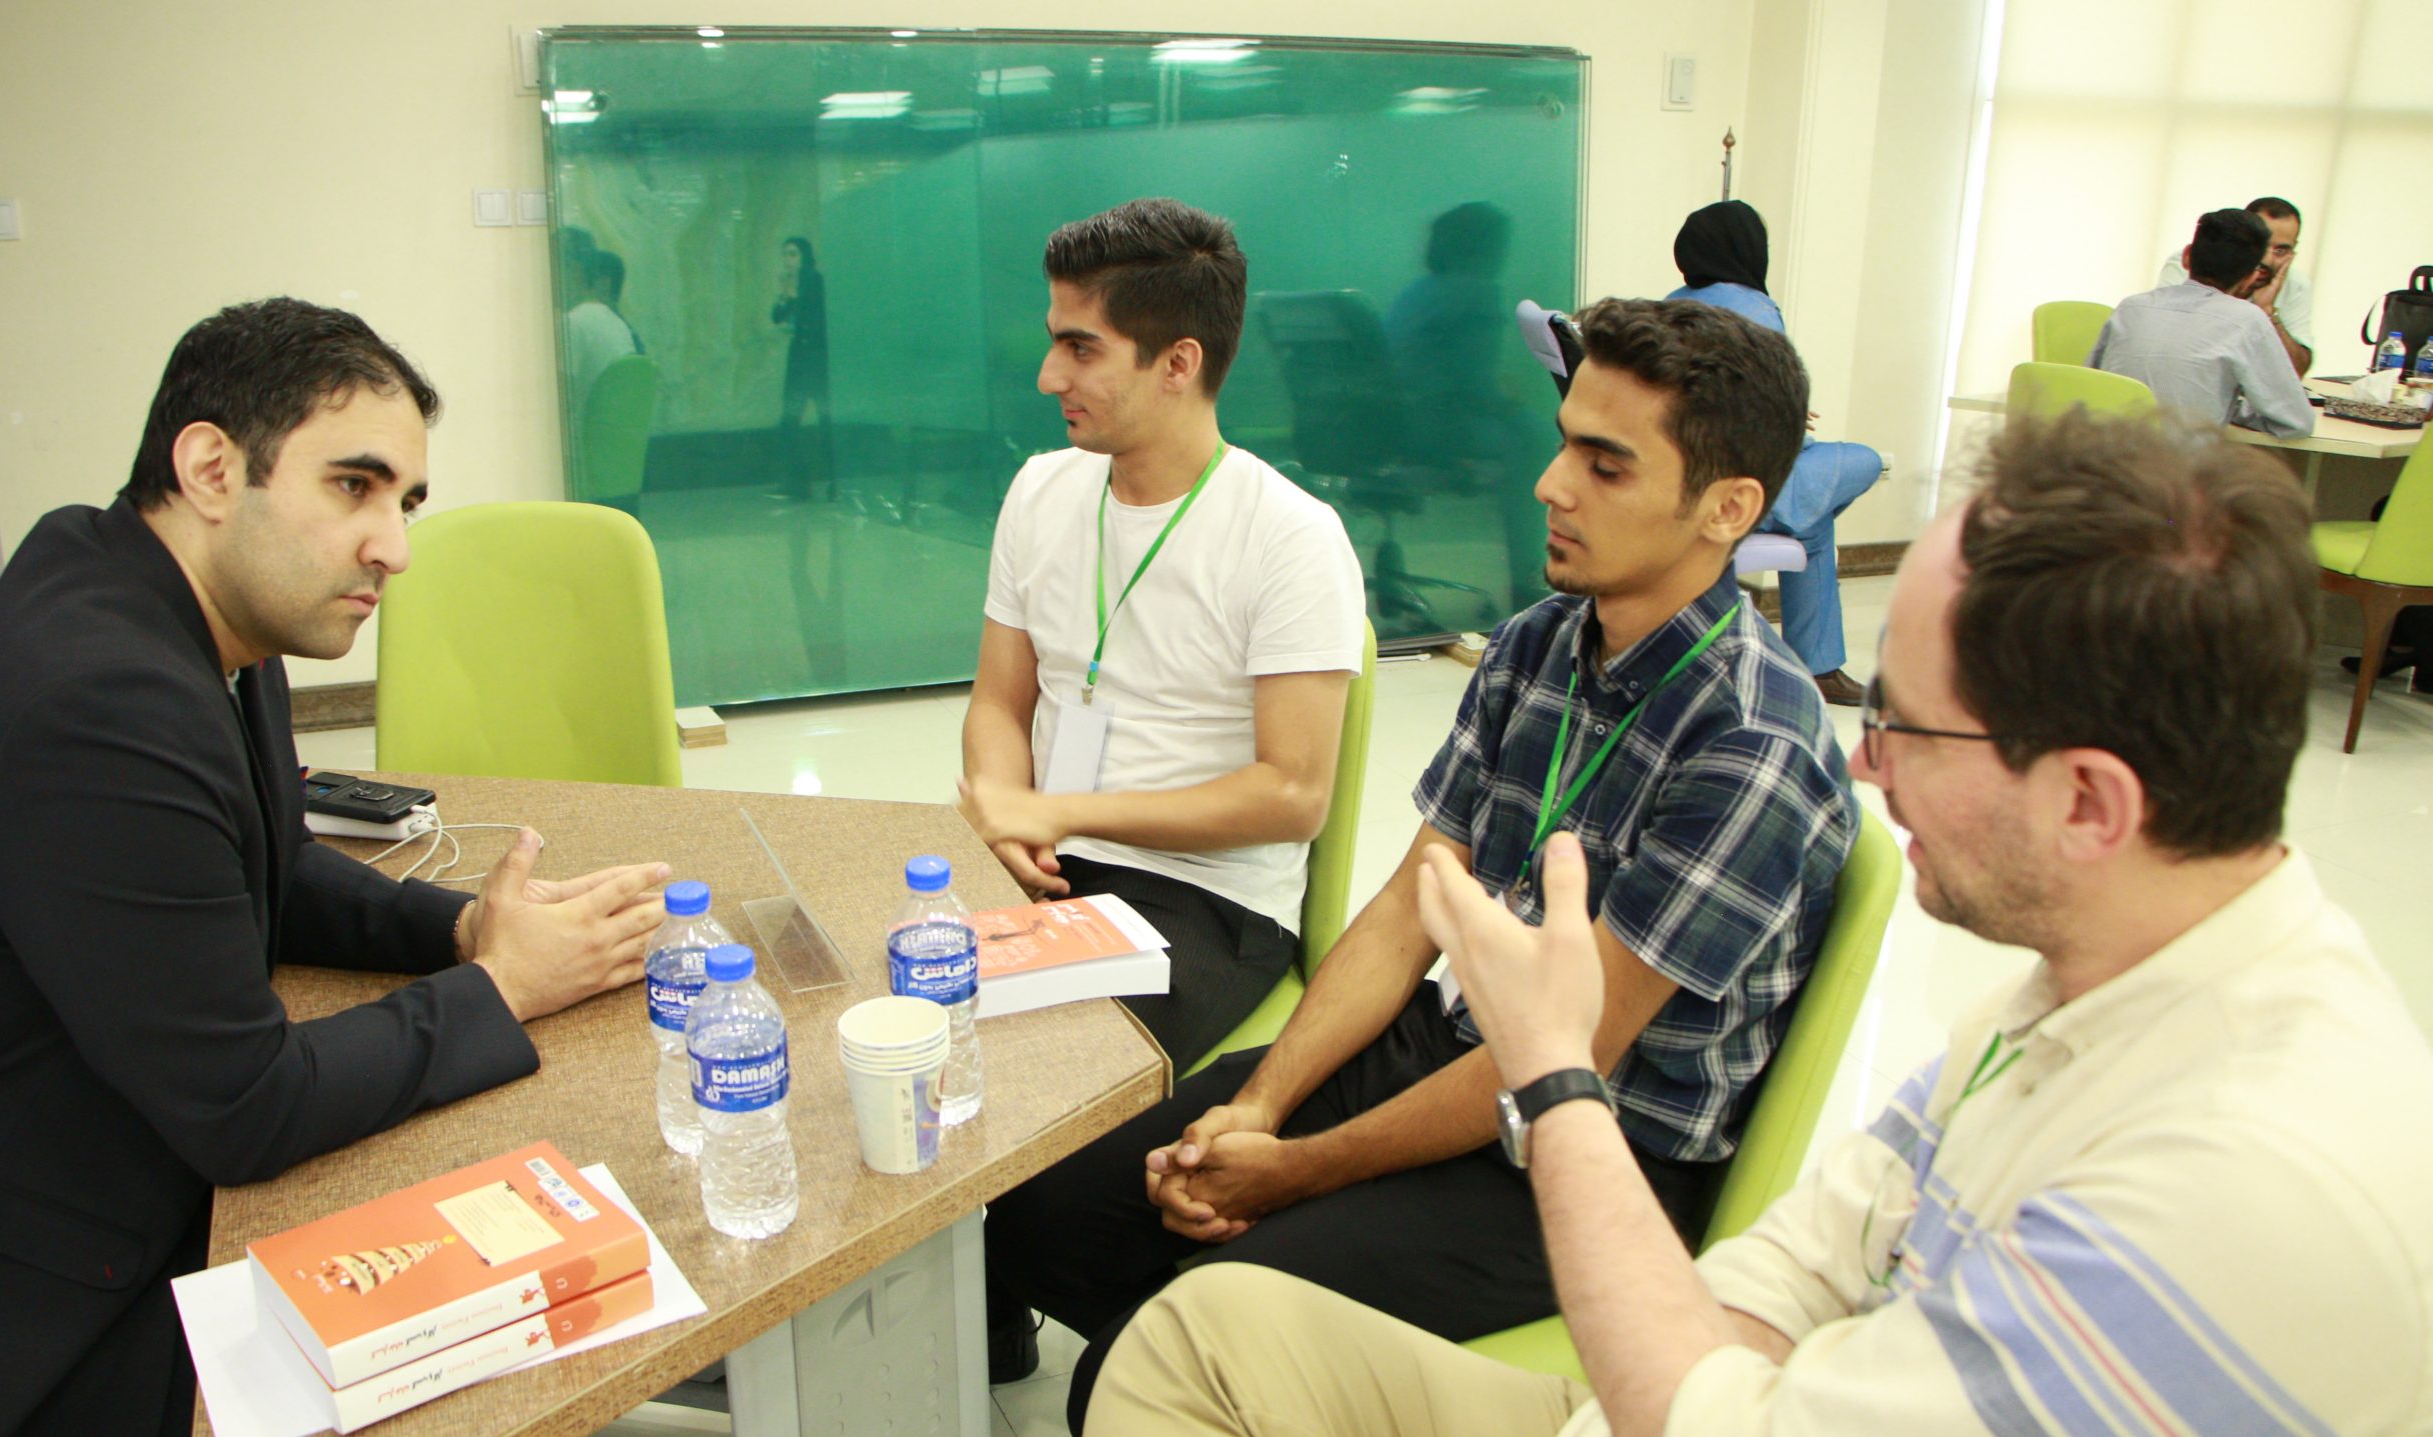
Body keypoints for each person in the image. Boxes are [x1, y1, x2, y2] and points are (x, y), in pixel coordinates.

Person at [1089, 409, 2433, 1437]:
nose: (1867, 766)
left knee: (1160, 1346)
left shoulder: (2231, 1190)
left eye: (1906, 725)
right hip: (1706, 1393)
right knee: (1190, 1341)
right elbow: (1806, 1259)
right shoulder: (2073, 997)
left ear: (2089, 801)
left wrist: (1552, 1072)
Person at [985, 295, 1855, 1432]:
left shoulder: (1752, 740)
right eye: (1563, 445)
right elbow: (1411, 906)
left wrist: (1295, 1171)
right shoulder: (1541, 643)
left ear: (1726, 508)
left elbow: (1566, 1056)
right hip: (1439, 1046)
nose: (1551, 485)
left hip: (1588, 1145)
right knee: (1040, 1220)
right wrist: (1260, 1106)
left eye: (1605, 466)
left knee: (1153, 1354)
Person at [0, 298, 673, 1436]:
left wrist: (461, 931)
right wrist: (506, 987)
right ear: (210, 467)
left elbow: (271, 860)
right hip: (10, 1308)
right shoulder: (100, 702)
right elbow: (243, 1106)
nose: (394, 546)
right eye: (353, 487)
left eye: (405, 501)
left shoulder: (171, 600)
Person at [957, 197, 1363, 1072]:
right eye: (1055, 341)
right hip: (1045, 857)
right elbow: (998, 701)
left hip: (1204, 897)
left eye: (1081, 349)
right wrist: (1006, 812)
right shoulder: (1039, 491)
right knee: (888, 1017)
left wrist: (1056, 809)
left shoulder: (1289, 536)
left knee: (1031, 1083)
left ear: (1179, 362)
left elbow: (1293, 795)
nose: (1048, 377)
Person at [1664, 199, 1884, 706]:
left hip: (1681, 477)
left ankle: (1820, 666)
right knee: (1865, 459)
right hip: (1734, 484)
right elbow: (1777, 435)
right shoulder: (1755, 309)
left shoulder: (1669, 306)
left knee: (1814, 522)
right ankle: (1817, 667)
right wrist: (1789, 417)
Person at [1386, 201, 1551, 611]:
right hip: (1442, 426)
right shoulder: (1476, 293)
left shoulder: (1417, 293)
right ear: (1480, 247)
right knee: (1537, 439)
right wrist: (1512, 409)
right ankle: (1526, 577)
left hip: (1400, 425)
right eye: (1498, 244)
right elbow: (1475, 386)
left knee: (1526, 430)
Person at [2091, 207, 2315, 438]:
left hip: (2106, 454)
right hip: (2180, 460)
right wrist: (2234, 409)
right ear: (2252, 275)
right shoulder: (2248, 320)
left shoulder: (2130, 307)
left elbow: (2091, 384)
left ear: (2187, 256)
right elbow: (2297, 422)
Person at [2160, 195, 2312, 376]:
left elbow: (2297, 371)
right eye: (2261, 245)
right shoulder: (2194, 261)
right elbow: (2165, 340)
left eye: (2280, 250)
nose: (2267, 260)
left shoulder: (2295, 283)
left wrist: (2267, 312)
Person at [772, 236, 832, 499]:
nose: (788, 260)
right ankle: (797, 482)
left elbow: (813, 316)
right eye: (785, 254)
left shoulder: (814, 280)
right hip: (799, 360)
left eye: (793, 254)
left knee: (826, 420)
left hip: (816, 361)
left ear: (805, 256)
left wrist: (793, 298)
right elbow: (777, 316)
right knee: (789, 421)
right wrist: (784, 297)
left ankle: (835, 480)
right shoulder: (791, 283)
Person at [562, 245, 644, 412]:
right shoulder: (621, 327)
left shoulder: (574, 321)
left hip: (586, 424)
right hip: (620, 423)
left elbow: (561, 394)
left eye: (572, 273)